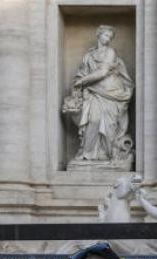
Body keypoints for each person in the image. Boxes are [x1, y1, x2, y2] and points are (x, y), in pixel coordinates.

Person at [64, 25, 134, 165]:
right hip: (94, 93)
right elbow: (81, 74)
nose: (107, 39)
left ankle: (107, 154)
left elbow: (102, 72)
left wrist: (83, 81)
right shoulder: (88, 56)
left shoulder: (110, 52)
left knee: (110, 126)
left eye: (110, 37)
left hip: (111, 92)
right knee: (94, 120)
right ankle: (88, 154)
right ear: (98, 34)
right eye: (105, 35)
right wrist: (79, 82)